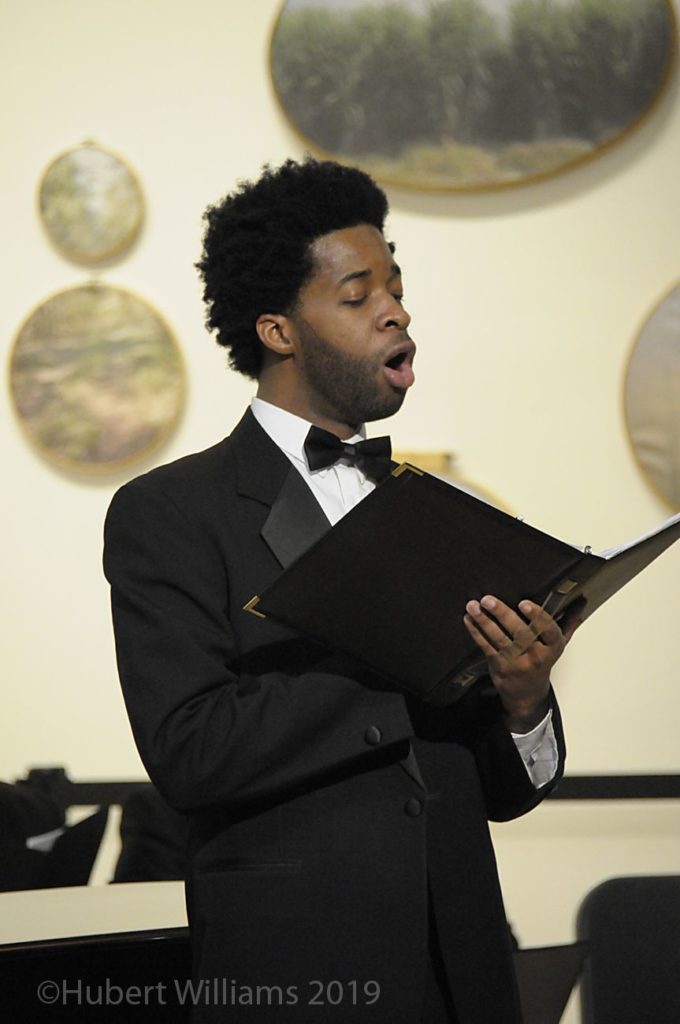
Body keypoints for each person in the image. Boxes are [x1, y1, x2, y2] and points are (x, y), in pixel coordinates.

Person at [104, 157, 579, 1023]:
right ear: (280, 332)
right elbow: (189, 749)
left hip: (464, 977)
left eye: (395, 287)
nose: (395, 310)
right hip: (298, 978)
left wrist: (524, 701)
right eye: (358, 296)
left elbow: (503, 792)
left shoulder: (435, 511)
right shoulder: (168, 511)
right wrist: (400, 666)